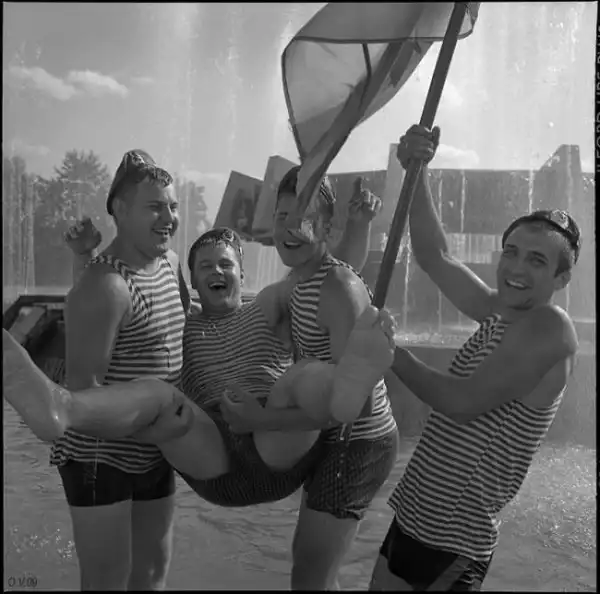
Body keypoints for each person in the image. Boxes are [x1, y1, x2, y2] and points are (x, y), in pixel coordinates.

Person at [368, 125, 581, 591]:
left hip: (454, 539)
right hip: (415, 514)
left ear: (561, 279)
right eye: (512, 253)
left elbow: (461, 403)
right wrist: (416, 171)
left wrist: (388, 352)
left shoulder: (550, 327)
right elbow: (434, 255)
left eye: (537, 261)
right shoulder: (498, 311)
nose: (517, 268)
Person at [220, 168, 400, 590]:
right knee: (309, 565)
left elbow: (356, 406)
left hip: (357, 442)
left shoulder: (337, 287)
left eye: (303, 219)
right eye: (282, 217)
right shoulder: (302, 279)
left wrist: (262, 420)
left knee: (309, 574)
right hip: (329, 434)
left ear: (325, 227)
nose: (290, 229)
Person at [44, 149, 191, 591]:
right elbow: (83, 399)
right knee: (106, 581)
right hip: (99, 457)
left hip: (156, 448)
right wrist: (155, 430)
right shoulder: (105, 286)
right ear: (121, 211)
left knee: (152, 574)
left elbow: (180, 328)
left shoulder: (170, 263)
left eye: (172, 206)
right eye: (155, 207)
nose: (168, 218)